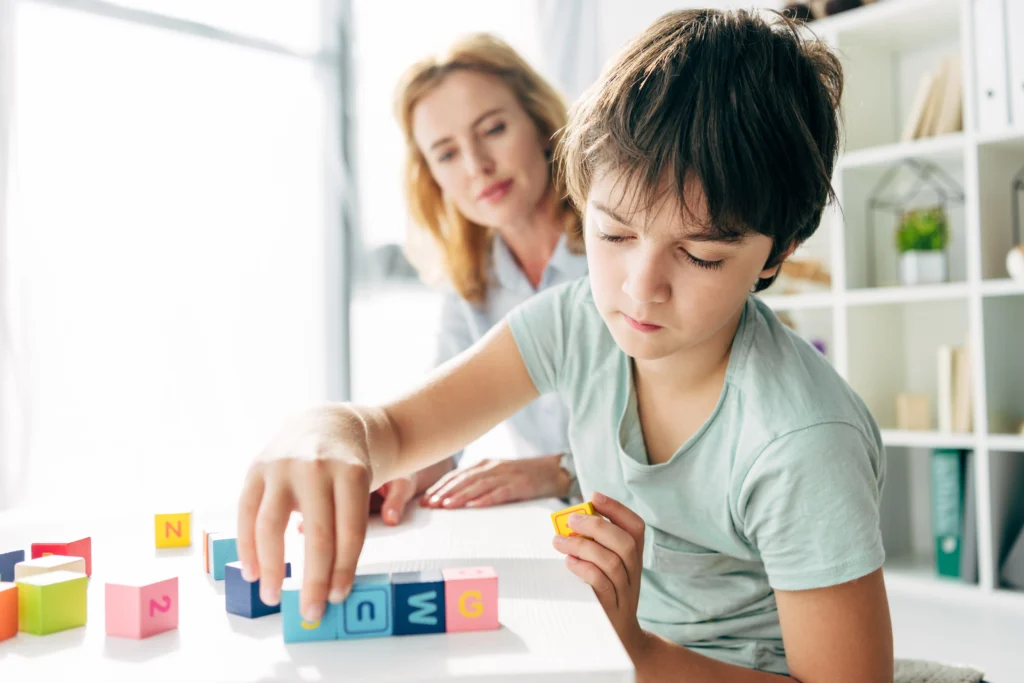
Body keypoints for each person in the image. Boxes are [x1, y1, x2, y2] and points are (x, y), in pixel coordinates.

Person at [237, 9, 893, 682]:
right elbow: (393, 428)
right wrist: (328, 427)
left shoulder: (801, 440)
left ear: (776, 250)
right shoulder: (576, 320)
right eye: (613, 234)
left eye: (697, 255)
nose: (641, 290)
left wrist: (635, 649)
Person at [373, 33, 587, 526]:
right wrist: (405, 474)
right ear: (431, 176)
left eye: (492, 129)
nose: (477, 166)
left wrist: (560, 470)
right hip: (566, 534)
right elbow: (442, 426)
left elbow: (682, 428)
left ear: (539, 120)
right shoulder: (472, 282)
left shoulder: (621, 243)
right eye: (446, 153)